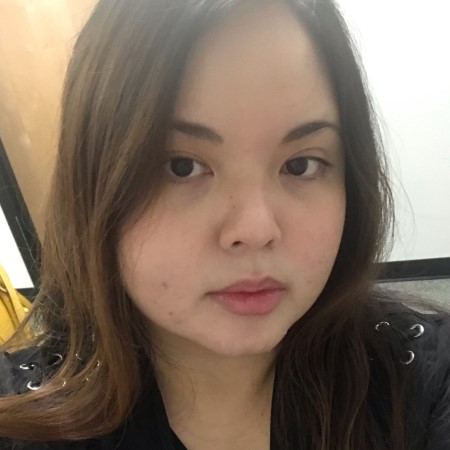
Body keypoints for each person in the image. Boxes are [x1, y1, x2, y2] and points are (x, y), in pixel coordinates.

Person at [0, 0, 449, 448]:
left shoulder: (422, 382)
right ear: (95, 182)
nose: (255, 229)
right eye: (181, 166)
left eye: (300, 165)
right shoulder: (19, 422)